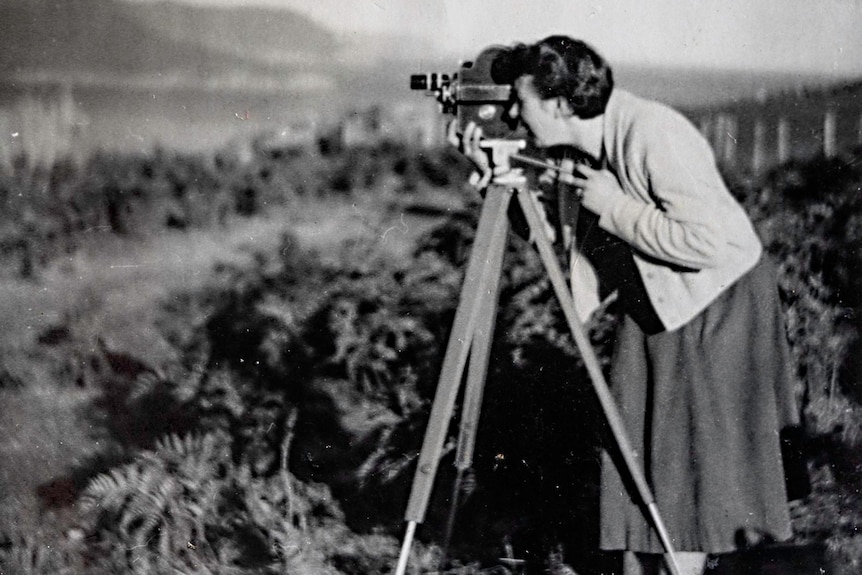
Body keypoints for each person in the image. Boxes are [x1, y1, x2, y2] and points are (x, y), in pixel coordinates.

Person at [450, 36, 800, 575]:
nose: (514, 113)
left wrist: (615, 208)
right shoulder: (574, 148)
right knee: (642, 445)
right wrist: (492, 178)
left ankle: (685, 563)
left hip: (715, 300)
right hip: (659, 296)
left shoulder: (653, 134)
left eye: (523, 101)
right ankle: (660, 561)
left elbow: (708, 243)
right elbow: (555, 237)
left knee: (687, 459)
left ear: (562, 104)